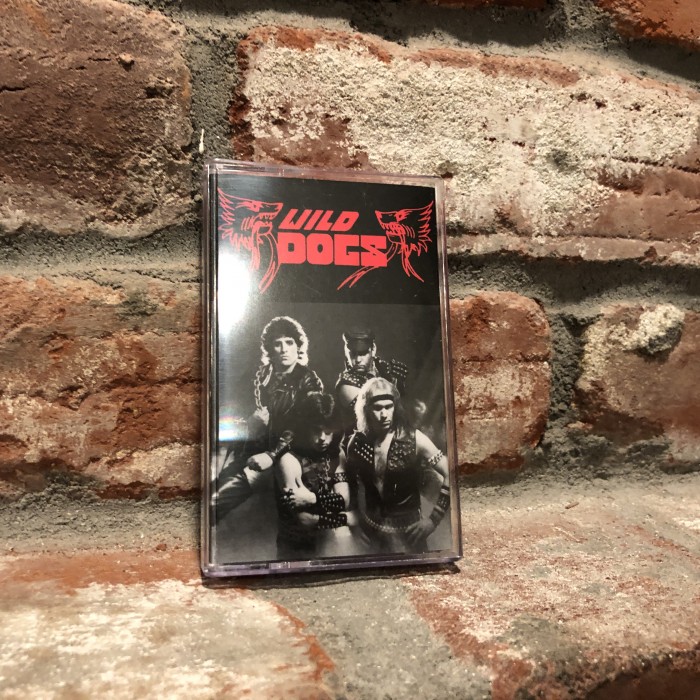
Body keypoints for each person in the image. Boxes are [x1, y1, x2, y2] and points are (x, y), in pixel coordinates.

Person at [214, 316, 323, 522]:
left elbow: (304, 427)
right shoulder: (258, 377)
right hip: (251, 451)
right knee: (213, 499)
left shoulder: (309, 381)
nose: (284, 349)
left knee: (298, 521)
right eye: (277, 344)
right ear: (270, 349)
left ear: (298, 347)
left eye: (289, 342)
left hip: (290, 455)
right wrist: (250, 424)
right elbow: (230, 414)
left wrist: (272, 455)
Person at [346, 377, 450, 554]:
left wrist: (433, 520)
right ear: (366, 409)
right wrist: (355, 525)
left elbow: (450, 473)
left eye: (389, 407)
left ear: (395, 406)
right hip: (372, 535)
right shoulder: (356, 443)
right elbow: (351, 485)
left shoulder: (415, 439)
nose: (384, 414)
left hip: (409, 535)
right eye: (377, 408)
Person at [275, 392, 358, 559]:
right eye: (316, 430)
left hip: (328, 540)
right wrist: (345, 519)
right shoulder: (289, 460)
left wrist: (312, 499)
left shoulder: (337, 453)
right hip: (296, 545)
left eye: (328, 432)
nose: (322, 438)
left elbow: (344, 500)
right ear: (305, 427)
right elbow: (304, 519)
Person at [334, 326, 408, 432]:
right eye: (353, 354)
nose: (358, 360)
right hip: (362, 440)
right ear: (346, 351)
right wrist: (396, 386)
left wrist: (399, 384)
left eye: (363, 353)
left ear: (373, 349)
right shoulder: (346, 386)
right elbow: (378, 417)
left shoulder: (382, 368)